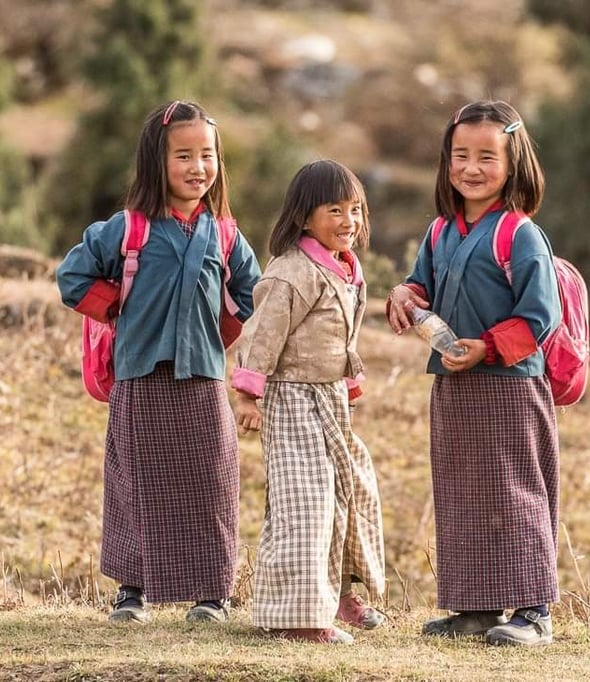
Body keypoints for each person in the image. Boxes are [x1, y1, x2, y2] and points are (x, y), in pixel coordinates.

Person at [56, 100, 261, 624]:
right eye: (183, 156)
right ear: (155, 162)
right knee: (137, 482)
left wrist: (218, 336)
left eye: (207, 155)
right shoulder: (127, 229)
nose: (198, 167)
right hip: (139, 373)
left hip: (204, 377)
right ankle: (132, 591)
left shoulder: (226, 234)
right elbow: (72, 278)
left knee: (212, 481)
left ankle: (212, 594)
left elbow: (252, 294)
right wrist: (120, 312)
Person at [387, 100, 561, 647]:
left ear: (514, 164)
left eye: (487, 156)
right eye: (460, 155)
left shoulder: (520, 235)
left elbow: (540, 316)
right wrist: (404, 295)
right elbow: (422, 285)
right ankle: (478, 607)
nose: (471, 167)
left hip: (511, 386)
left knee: (516, 492)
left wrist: (486, 348)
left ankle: (534, 613)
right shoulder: (440, 231)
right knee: (463, 492)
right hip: (454, 385)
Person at [232, 159, 386, 645]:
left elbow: (342, 334)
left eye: (355, 209)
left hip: (330, 399)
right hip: (293, 398)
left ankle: (334, 594)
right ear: (304, 218)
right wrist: (248, 394)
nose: (349, 221)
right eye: (335, 210)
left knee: (346, 495)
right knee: (306, 504)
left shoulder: (346, 269)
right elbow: (262, 334)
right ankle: (297, 616)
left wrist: (349, 380)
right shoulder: (291, 272)